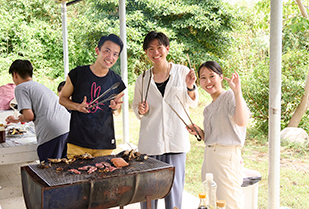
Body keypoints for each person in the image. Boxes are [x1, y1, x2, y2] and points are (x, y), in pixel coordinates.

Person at [132, 31, 199, 209]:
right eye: (151, 49)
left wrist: (191, 86)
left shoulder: (182, 72)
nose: (156, 52)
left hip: (176, 143)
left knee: (174, 194)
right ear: (146, 52)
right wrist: (140, 109)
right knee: (148, 194)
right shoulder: (143, 79)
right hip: (150, 145)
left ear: (167, 49)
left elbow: (193, 102)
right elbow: (136, 109)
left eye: (159, 48)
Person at [187, 61, 250, 209]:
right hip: (210, 157)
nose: (207, 81)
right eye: (203, 78)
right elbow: (211, 137)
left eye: (212, 76)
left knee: (229, 202)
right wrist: (200, 131)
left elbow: (241, 121)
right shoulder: (208, 108)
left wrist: (237, 91)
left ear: (221, 77)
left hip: (226, 158)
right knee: (212, 202)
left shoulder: (230, 96)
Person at [59, 34, 126, 159]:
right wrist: (77, 106)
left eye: (115, 54)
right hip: (78, 142)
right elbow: (62, 99)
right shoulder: (77, 74)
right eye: (107, 51)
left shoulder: (116, 81)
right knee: (75, 177)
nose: (110, 57)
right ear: (97, 50)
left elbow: (117, 110)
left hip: (104, 144)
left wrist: (115, 107)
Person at [5, 59, 70, 162]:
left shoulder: (21, 88)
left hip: (52, 132)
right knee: (64, 169)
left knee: (48, 171)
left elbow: (29, 116)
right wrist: (17, 119)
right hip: (67, 128)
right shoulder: (39, 86)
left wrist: (22, 118)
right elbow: (33, 113)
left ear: (15, 74)